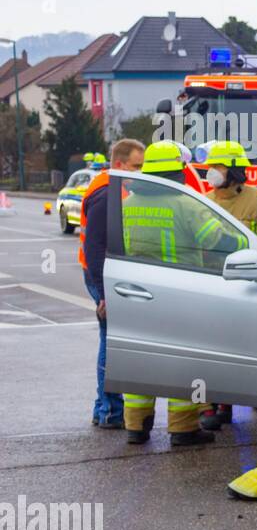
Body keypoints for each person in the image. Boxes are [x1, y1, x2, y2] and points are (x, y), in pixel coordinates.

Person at [117, 141, 245, 447]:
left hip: (134, 292)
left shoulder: (127, 204)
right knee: (182, 363)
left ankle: (136, 426)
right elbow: (214, 240)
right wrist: (246, 245)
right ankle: (183, 429)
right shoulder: (186, 204)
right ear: (177, 172)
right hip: (178, 294)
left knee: (139, 361)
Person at [199, 141, 257, 431]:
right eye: (211, 168)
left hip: (250, 285)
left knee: (242, 346)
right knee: (211, 348)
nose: (212, 173)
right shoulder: (205, 200)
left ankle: (236, 399)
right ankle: (212, 406)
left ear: (233, 170)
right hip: (214, 283)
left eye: (217, 167)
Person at [80, 138, 145, 429]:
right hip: (102, 277)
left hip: (106, 274)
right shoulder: (107, 194)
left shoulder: (115, 187)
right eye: (136, 166)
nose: (141, 172)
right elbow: (95, 247)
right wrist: (105, 295)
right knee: (111, 340)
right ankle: (108, 410)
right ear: (120, 164)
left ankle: (105, 410)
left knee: (112, 339)